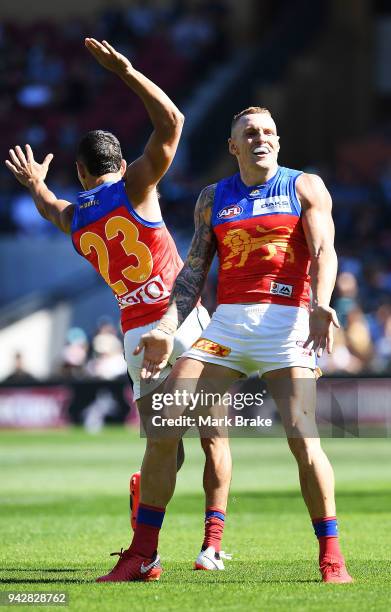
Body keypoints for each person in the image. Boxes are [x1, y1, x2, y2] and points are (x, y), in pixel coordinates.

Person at [5, 38, 231, 581]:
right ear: (120, 163)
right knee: (212, 433)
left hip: (135, 336)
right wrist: (127, 70)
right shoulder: (137, 185)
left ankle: (145, 545)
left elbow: (53, 208)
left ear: (82, 173)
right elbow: (173, 121)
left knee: (162, 447)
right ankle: (212, 546)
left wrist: (36, 183)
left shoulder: (78, 218)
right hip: (185, 319)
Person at [132, 106, 353, 584]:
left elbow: (323, 250)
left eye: (270, 131)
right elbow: (193, 272)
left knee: (303, 436)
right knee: (166, 421)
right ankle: (141, 555)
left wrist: (322, 302)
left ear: (279, 140)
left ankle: (331, 558)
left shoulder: (303, 186)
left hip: (287, 322)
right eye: (250, 133)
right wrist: (166, 328)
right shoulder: (213, 198)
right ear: (233, 146)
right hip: (228, 325)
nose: (262, 139)